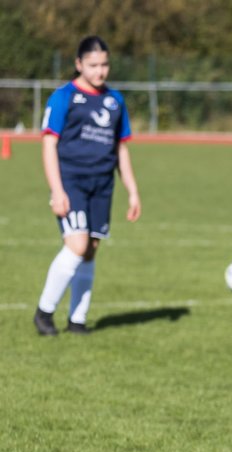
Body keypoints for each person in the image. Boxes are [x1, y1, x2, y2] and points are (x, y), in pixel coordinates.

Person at [33, 36, 141, 336]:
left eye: (104, 64)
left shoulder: (115, 101)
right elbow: (49, 144)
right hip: (71, 182)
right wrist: (57, 190)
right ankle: (44, 312)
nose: (100, 71)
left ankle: (77, 320)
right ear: (79, 64)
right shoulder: (63, 97)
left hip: (102, 184)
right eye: (93, 65)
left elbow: (121, 149)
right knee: (77, 245)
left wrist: (132, 190)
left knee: (91, 250)